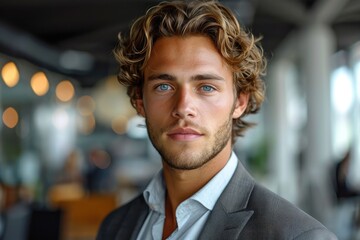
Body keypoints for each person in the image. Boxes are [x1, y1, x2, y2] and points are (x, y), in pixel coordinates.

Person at [97, 1, 338, 239]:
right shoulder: (115, 226)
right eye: (164, 86)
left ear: (240, 102)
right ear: (140, 102)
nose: (183, 108)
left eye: (207, 87)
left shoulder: (297, 236)